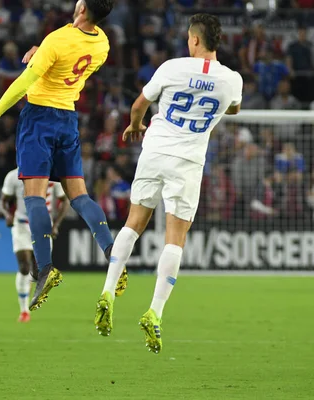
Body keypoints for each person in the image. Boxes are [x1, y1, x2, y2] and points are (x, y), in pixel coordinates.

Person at [95, 14, 242, 353]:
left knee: (133, 224)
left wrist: (135, 125)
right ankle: (155, 312)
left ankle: (107, 290)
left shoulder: (171, 68)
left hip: (155, 150)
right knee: (175, 238)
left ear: (194, 40)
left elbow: (138, 105)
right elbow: (233, 109)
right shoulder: (231, 80)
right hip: (188, 163)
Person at [0, 0, 123, 312]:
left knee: (34, 196)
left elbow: (24, 82)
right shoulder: (102, 43)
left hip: (39, 118)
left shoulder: (58, 41)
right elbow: (69, 51)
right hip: (68, 118)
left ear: (81, 8)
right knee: (78, 195)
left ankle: (45, 268)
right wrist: (42, 50)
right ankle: (113, 253)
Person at [0, 167, 70, 323]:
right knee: (24, 266)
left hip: (43, 226)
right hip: (21, 225)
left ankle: (29, 290)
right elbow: (2, 202)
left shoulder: (52, 176)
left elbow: (65, 201)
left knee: (38, 272)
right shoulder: (14, 175)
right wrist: (8, 214)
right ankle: (24, 310)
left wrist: (56, 224)